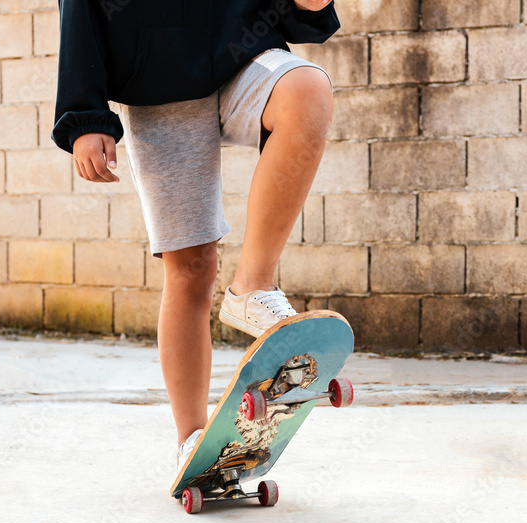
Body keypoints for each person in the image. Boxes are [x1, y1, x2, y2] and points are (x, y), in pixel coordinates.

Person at [51, 0, 339, 472]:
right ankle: (192, 436)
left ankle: (254, 285)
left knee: (307, 89)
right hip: (158, 85)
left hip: (245, 54)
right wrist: (84, 113)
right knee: (191, 268)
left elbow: (298, 12)